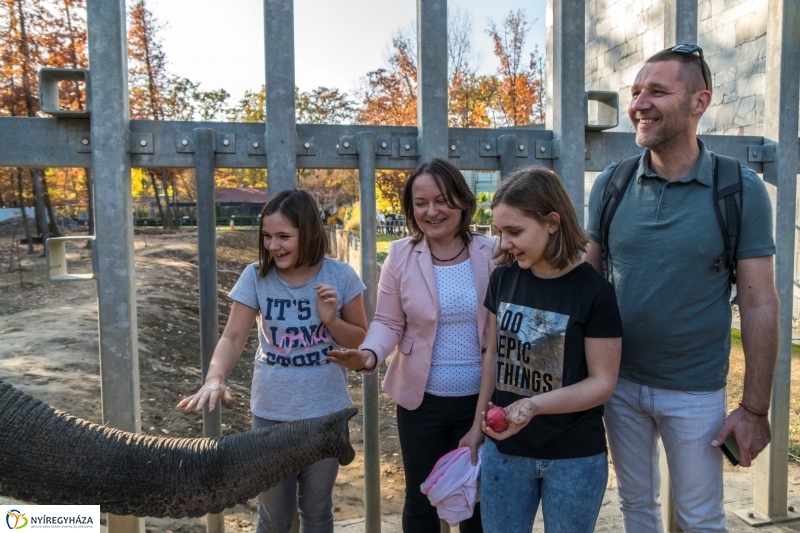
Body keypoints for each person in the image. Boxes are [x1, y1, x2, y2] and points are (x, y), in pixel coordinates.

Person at [584, 45, 779, 532]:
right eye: (635, 92)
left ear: (699, 102)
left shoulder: (739, 189)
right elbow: (584, 288)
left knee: (700, 519)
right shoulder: (611, 185)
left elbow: (759, 303)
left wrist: (754, 408)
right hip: (619, 386)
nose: (639, 103)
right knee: (637, 509)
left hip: (695, 393)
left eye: (657, 91)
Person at [177, 189, 367, 533]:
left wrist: (332, 321)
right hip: (271, 412)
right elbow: (233, 337)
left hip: (325, 413)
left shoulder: (341, 276)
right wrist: (215, 377)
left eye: (283, 236)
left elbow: (360, 339)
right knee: (274, 516)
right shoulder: (255, 276)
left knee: (317, 510)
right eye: (267, 236)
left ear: (309, 233)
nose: (273, 245)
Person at [327, 158, 495, 533]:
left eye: (443, 200)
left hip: (482, 402)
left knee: (479, 502)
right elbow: (388, 321)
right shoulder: (402, 254)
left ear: (464, 203)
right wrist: (369, 354)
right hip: (421, 404)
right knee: (421, 500)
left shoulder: (493, 252)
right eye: (421, 203)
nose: (432, 211)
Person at [459, 167, 622, 533]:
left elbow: (602, 382)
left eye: (514, 232)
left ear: (552, 222)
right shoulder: (503, 279)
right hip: (506, 454)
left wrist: (534, 406)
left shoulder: (595, 293)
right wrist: (477, 427)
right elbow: (492, 356)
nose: (502, 244)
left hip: (574, 457)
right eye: (500, 231)